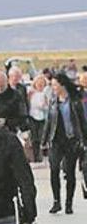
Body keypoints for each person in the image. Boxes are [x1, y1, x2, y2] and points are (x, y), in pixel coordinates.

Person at [42, 73, 85, 214]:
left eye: (55, 85)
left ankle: (68, 203)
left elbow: (82, 122)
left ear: (62, 85)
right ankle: (56, 202)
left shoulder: (75, 100)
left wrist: (84, 141)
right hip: (56, 141)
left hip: (71, 140)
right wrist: (44, 141)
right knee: (54, 170)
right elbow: (49, 122)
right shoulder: (53, 100)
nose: (53, 88)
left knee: (70, 172)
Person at [27, 75, 50, 163]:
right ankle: (35, 157)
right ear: (35, 84)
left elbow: (47, 107)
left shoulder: (46, 94)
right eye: (38, 83)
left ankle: (42, 156)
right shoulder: (31, 93)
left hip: (43, 118)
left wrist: (45, 104)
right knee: (34, 138)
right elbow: (29, 105)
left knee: (42, 137)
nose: (40, 85)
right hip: (32, 118)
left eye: (42, 83)